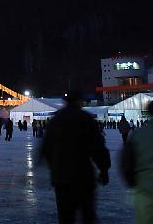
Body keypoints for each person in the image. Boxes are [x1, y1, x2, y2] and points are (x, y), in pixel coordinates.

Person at [39, 91, 110, 224]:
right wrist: (104, 169)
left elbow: (46, 147)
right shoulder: (85, 118)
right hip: (83, 175)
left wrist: (53, 166)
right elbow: (98, 147)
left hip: (61, 177)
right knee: (87, 214)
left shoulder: (56, 120)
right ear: (78, 102)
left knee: (66, 216)